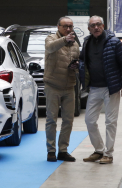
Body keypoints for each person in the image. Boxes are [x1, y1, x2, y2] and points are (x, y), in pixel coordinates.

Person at [79, 15, 122, 164]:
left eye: (98, 24)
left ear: (103, 25)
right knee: (89, 120)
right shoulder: (87, 42)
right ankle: (98, 150)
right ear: (89, 28)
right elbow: (83, 59)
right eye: (93, 25)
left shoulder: (113, 42)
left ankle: (108, 153)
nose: (96, 27)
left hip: (111, 88)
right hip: (94, 87)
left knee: (110, 121)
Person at [44, 16, 80, 162]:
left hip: (69, 86)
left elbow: (77, 61)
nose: (68, 29)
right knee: (51, 120)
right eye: (65, 26)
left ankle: (63, 150)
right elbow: (50, 48)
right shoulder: (51, 39)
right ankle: (51, 150)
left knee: (68, 120)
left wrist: (77, 66)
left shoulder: (75, 44)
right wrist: (65, 40)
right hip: (53, 85)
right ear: (58, 26)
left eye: (70, 26)